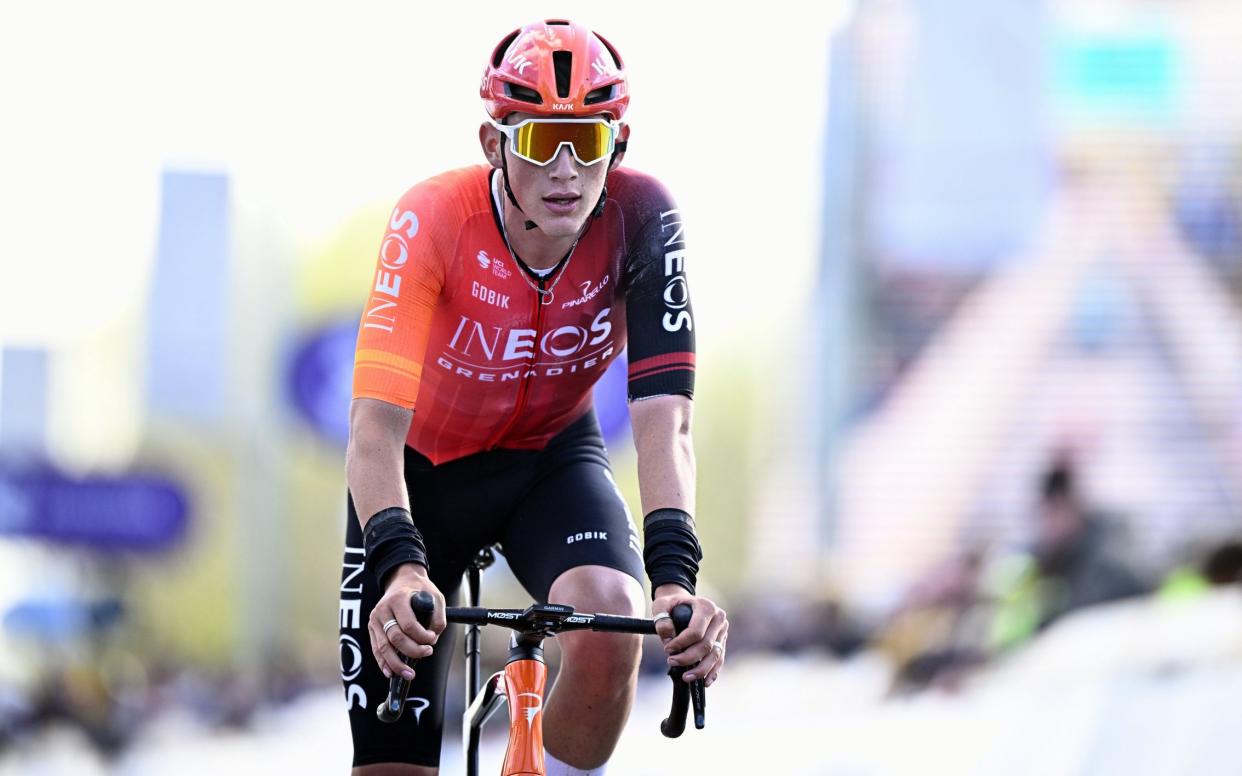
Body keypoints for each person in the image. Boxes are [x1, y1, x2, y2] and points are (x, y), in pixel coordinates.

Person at [337, 20, 729, 775]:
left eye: (585, 143)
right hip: (419, 477)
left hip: (549, 463)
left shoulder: (643, 217)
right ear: (494, 146)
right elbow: (373, 428)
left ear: (616, 145)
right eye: (540, 141)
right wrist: (397, 565)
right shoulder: (433, 217)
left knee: (612, 618)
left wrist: (677, 580)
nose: (565, 171)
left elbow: (665, 420)